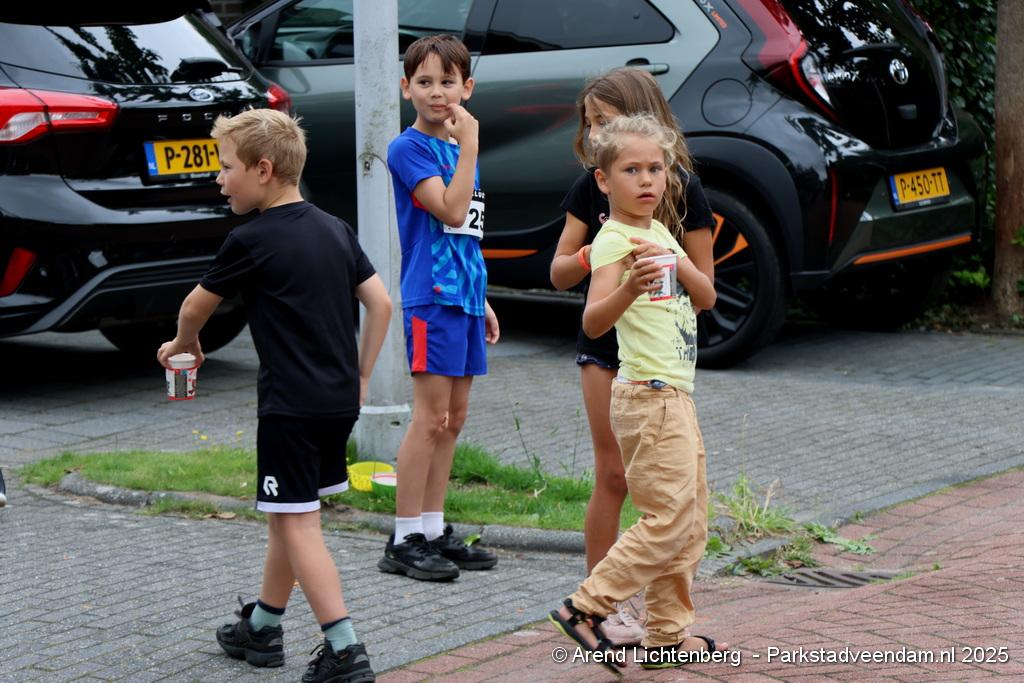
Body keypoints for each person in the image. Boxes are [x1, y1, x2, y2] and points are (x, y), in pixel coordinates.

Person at [157, 108, 392, 683]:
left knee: (299, 524)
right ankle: (262, 627)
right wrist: (362, 376)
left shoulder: (250, 238)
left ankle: (345, 651)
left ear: (262, 170)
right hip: (338, 399)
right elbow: (381, 304)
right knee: (288, 514)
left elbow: (194, 306)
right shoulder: (335, 228)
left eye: (226, 167)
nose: (219, 179)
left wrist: (185, 344)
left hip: (291, 406)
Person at [548, 113, 726, 674]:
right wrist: (629, 286)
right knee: (666, 518)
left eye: (656, 168)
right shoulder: (612, 241)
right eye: (631, 170)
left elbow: (706, 297)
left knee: (689, 523)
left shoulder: (660, 233)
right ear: (603, 180)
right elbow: (594, 322)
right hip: (648, 399)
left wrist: (677, 263)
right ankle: (585, 607)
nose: (646, 180)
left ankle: (667, 637)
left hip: (676, 395)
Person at [379, 34, 500, 582]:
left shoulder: (457, 149)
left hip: (464, 298)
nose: (437, 92)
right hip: (431, 298)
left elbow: (466, 234)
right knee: (429, 419)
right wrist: (469, 145)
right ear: (407, 88)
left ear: (466, 87)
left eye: (447, 82)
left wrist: (482, 297)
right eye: (424, 82)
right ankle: (404, 537)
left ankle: (432, 528)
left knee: (454, 419)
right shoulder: (409, 149)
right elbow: (450, 211)